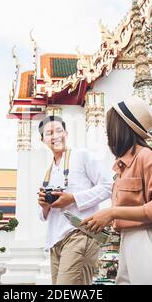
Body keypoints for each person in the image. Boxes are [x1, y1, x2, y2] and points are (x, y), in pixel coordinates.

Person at [81, 97, 152, 285]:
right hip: (128, 242)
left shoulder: (147, 158)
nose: (108, 135)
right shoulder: (122, 167)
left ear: (122, 128)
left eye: (110, 128)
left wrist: (113, 212)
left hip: (148, 240)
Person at [37, 115, 112, 285]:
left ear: (66, 134)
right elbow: (45, 214)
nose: (55, 136)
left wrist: (74, 199)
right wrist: (45, 206)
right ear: (42, 140)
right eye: (49, 133)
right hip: (55, 240)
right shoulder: (49, 171)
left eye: (59, 130)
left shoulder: (82, 155)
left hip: (80, 233)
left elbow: (108, 186)